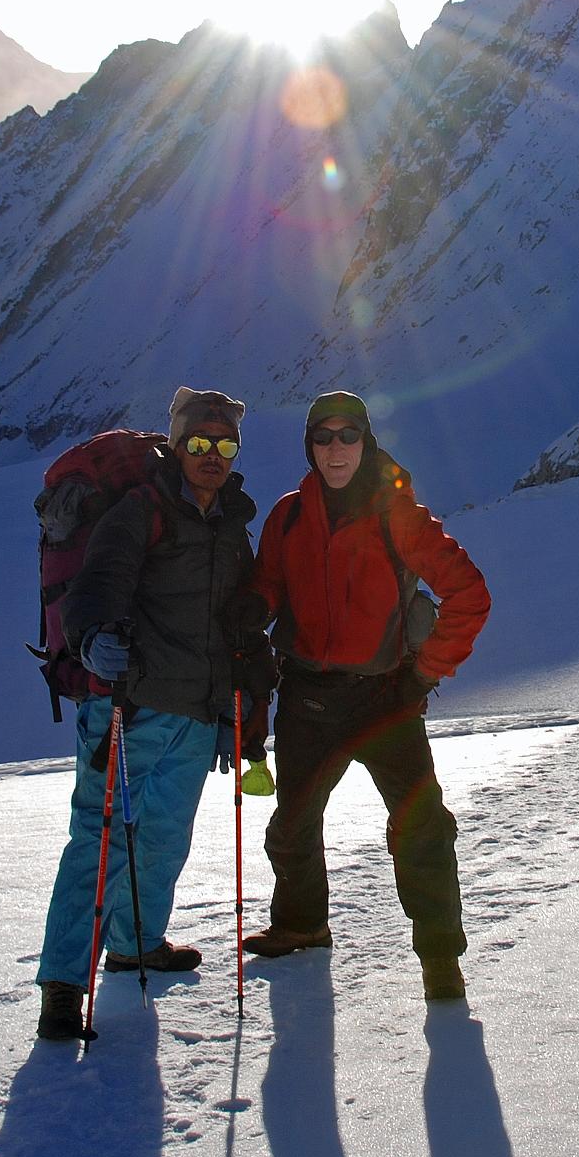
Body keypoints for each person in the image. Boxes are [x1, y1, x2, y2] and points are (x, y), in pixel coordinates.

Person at [242, 391, 491, 1002]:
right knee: (293, 825)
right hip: (307, 696)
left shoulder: (395, 513)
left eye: (347, 435)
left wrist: (423, 673)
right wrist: (254, 610)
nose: (335, 449)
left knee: (421, 828)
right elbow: (270, 583)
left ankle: (440, 957)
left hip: (386, 699)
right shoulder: (289, 516)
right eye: (323, 437)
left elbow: (469, 594)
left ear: (366, 440)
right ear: (309, 445)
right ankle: (302, 925)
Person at [34, 387, 265, 1043]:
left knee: (164, 839)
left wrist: (232, 711)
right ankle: (61, 985)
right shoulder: (141, 511)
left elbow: (234, 629)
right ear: (176, 443)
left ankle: (136, 943)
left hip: (193, 715)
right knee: (96, 843)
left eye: (224, 444)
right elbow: (94, 588)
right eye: (199, 442)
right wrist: (91, 641)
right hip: (126, 709)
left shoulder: (230, 528)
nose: (211, 455)